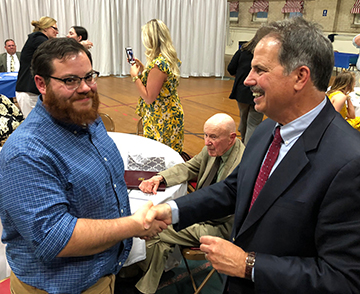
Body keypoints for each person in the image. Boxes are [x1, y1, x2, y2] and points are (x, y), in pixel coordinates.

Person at [145, 17, 360, 293]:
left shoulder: (349, 161)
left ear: (300, 77)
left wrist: (249, 265)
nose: (247, 79)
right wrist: (173, 210)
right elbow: (235, 190)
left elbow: (344, 279)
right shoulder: (268, 128)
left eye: (260, 69)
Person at [0, 38, 166, 294]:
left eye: (89, 76)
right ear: (41, 84)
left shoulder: (88, 118)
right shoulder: (26, 152)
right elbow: (55, 237)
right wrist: (134, 225)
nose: (86, 88)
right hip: (58, 288)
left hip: (101, 275)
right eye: (70, 80)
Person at [132, 113, 245, 294]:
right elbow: (190, 167)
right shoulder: (214, 148)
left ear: (232, 138)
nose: (207, 141)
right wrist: (160, 177)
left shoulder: (242, 163)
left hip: (220, 225)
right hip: (201, 214)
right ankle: (148, 285)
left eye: (213, 137)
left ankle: (140, 278)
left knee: (154, 228)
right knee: (160, 242)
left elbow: (226, 210)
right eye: (205, 135)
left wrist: (187, 213)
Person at [130, 19, 184, 154]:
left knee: (159, 155)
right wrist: (144, 70)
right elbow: (161, 86)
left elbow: (149, 97)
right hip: (170, 111)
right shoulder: (169, 59)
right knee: (170, 153)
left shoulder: (158, 64)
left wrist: (135, 77)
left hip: (161, 117)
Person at [227, 28, 270, 145]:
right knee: (253, 122)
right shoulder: (267, 55)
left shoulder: (242, 51)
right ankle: (247, 148)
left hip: (241, 91)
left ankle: (243, 144)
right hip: (259, 92)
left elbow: (230, 68)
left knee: (244, 118)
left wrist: (240, 76)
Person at [16, 16, 58, 118]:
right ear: (45, 28)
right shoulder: (38, 38)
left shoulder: (37, 39)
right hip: (28, 93)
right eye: (55, 28)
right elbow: (57, 50)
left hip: (30, 92)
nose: (57, 32)